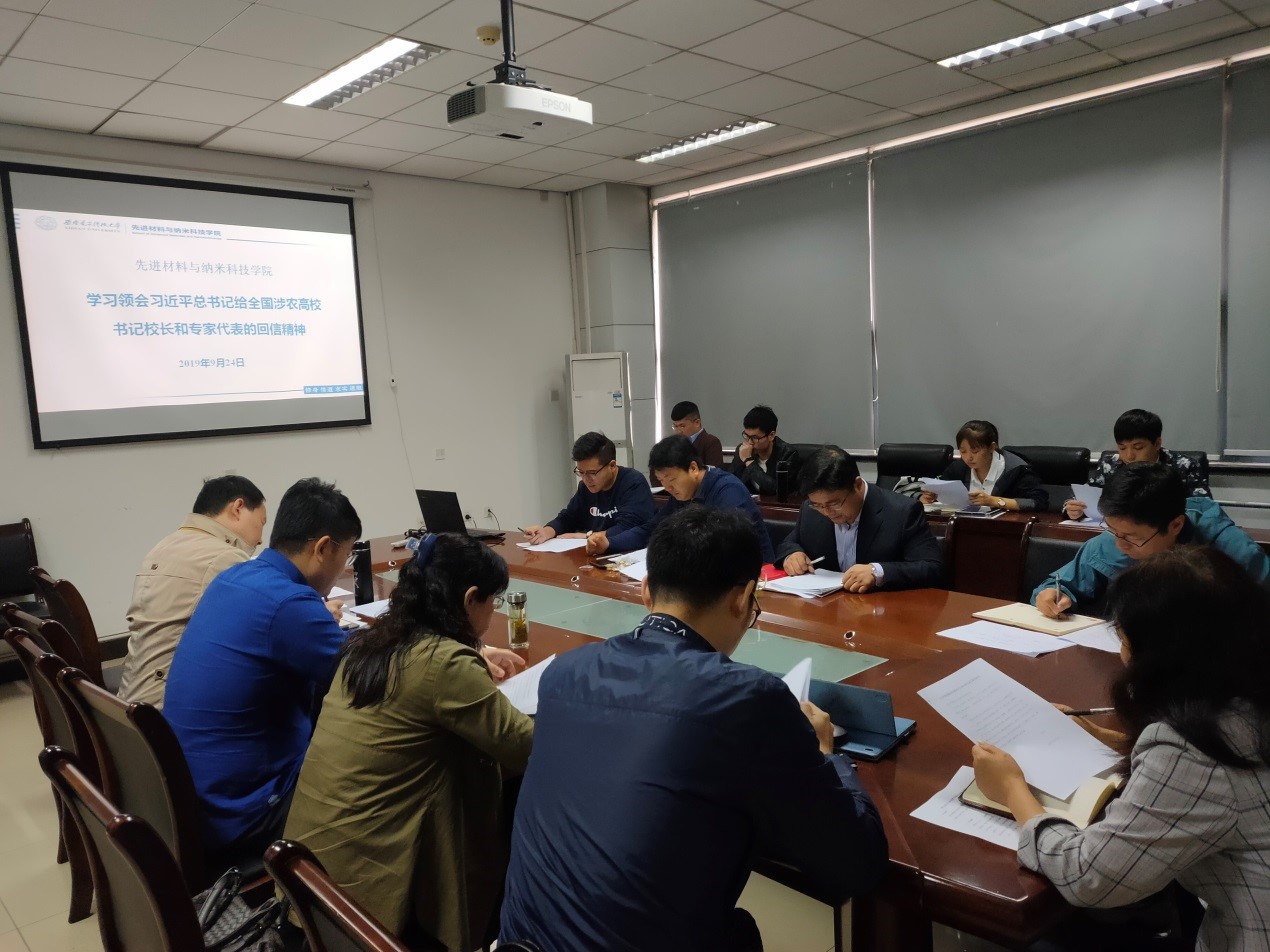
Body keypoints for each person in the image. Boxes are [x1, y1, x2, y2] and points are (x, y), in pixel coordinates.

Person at [500, 507, 888, 952]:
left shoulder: (565, 672)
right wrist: (825, 755)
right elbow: (857, 864)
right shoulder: (746, 697)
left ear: (646, 590)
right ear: (744, 598)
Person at [973, 546, 1270, 952]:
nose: (1121, 654)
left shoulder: (1196, 749)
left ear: (1161, 655)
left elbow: (1089, 877)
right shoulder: (1248, 696)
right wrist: (1098, 735)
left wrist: (1012, 789)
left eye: (1124, 639)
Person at [282, 533, 531, 952]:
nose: (494, 611)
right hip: (365, 916)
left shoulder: (370, 644)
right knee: (499, 786)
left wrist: (472, 656)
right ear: (470, 599)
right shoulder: (443, 664)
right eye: (494, 601)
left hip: (308, 884)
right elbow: (526, 747)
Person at [163, 477, 362, 867]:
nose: (344, 567)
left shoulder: (235, 578)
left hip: (197, 796)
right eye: (347, 555)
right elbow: (369, 672)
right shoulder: (289, 603)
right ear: (323, 548)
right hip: (245, 813)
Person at [1034, 463, 1270, 619]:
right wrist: (1051, 594)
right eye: (1112, 530)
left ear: (1175, 525)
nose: (1119, 544)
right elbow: (1059, 584)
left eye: (1132, 537)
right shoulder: (1110, 542)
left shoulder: (1235, 555)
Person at [117, 475, 267, 709]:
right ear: (238, 508)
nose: (260, 539)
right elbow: (262, 631)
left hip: (130, 699)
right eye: (261, 522)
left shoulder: (164, 545)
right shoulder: (225, 557)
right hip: (168, 709)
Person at [778, 447, 942, 592]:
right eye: (818, 505)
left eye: (834, 504)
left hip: (881, 609)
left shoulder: (903, 511)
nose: (827, 512)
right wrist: (792, 555)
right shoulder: (811, 509)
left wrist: (877, 572)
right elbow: (789, 542)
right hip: (826, 607)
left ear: (857, 485)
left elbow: (931, 567)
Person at [523, 431, 654, 556]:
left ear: (612, 466)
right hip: (594, 554)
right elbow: (568, 517)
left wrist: (586, 536)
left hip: (628, 554)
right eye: (581, 472)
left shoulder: (633, 482)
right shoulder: (585, 487)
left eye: (592, 473)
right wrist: (545, 532)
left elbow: (628, 528)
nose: (586, 479)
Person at [1064, 408, 1211, 519]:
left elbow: (1204, 509)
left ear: (1157, 443)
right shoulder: (1111, 464)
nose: (1129, 456)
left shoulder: (1185, 466)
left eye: (1138, 447)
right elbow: (1085, 495)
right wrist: (1073, 508)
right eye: (1122, 448)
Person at [649, 434, 775, 563]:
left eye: (671, 479)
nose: (668, 487)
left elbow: (730, 546)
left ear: (693, 468)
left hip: (753, 569)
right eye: (661, 480)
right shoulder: (681, 493)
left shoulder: (728, 490)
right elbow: (655, 528)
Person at [921, 420, 1048, 512]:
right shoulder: (958, 468)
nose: (969, 457)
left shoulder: (1016, 469)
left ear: (992, 447)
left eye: (975, 451)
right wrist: (930, 498)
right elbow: (943, 496)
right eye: (963, 451)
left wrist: (994, 501)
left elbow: (1039, 502)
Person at [727, 404, 802, 496]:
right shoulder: (742, 450)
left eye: (755, 438)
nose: (750, 442)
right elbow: (730, 481)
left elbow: (777, 490)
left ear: (771, 435)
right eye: (746, 436)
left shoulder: (788, 454)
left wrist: (749, 461)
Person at [668, 400, 724, 468]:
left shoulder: (711, 442)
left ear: (697, 423)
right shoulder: (673, 444)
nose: (678, 431)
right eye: (675, 426)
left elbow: (715, 472)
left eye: (682, 426)